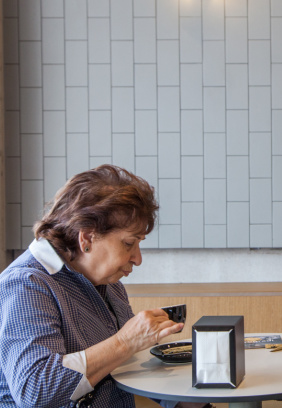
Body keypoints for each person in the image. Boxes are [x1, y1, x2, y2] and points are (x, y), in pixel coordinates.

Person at [0, 165, 208, 408]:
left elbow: (127, 363)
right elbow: (35, 390)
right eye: (128, 243)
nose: (137, 259)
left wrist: (191, 401)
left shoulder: (108, 283)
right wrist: (125, 342)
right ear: (87, 238)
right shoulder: (27, 283)